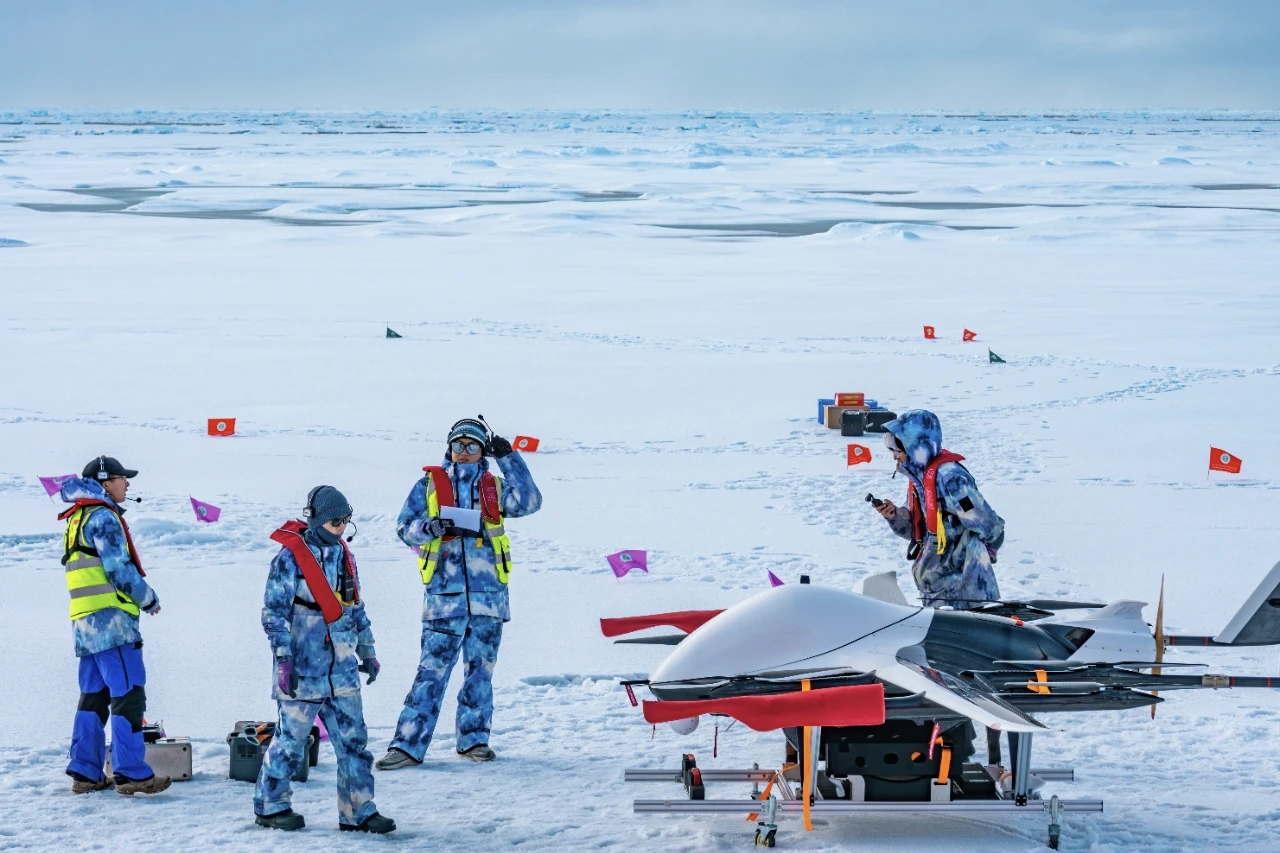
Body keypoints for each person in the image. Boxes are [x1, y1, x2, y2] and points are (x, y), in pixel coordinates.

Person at [376, 418, 542, 770]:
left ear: (483, 451)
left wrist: (509, 458)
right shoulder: (428, 485)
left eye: (472, 446)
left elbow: (529, 502)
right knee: (430, 674)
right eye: (458, 445)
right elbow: (404, 528)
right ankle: (406, 746)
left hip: (488, 600)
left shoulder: (495, 487)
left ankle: (474, 741)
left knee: (480, 676)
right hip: (444, 600)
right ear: (449, 447)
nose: (464, 452)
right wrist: (430, 527)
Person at [255, 486, 394, 834]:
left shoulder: (345, 555)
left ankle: (358, 811)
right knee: (291, 743)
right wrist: (283, 659)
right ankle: (271, 805)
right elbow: (273, 615)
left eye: (346, 521)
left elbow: (356, 607)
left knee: (354, 744)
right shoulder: (289, 559)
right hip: (303, 671)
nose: (341, 528)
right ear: (317, 520)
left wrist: (367, 650)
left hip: (342, 671)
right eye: (335, 521)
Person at [60, 456, 170, 796]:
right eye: (123, 478)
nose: (127, 484)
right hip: (113, 624)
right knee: (128, 695)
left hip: (85, 624)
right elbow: (119, 569)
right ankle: (131, 773)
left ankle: (86, 773)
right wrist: (148, 599)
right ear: (106, 482)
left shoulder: (77, 517)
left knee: (93, 697)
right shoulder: (104, 516)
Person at [871, 409, 1004, 609]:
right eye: (892, 451)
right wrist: (896, 516)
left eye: (898, 450)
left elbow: (983, 520)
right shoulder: (920, 479)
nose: (895, 457)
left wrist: (990, 544)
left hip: (961, 588)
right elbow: (919, 530)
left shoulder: (951, 479)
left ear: (916, 446)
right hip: (937, 585)